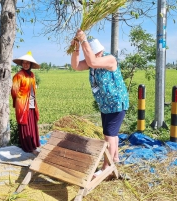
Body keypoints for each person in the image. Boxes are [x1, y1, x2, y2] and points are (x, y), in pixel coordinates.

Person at [70, 29, 129, 177]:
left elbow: (93, 61)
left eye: (95, 53)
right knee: (111, 134)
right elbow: (75, 66)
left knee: (108, 136)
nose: (93, 56)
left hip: (116, 103)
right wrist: (76, 47)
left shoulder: (109, 59)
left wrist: (83, 40)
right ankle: (114, 159)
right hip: (105, 105)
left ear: (100, 52)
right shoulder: (92, 64)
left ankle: (105, 168)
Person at [11, 51, 40, 155]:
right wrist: (20, 101)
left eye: (28, 63)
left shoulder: (32, 75)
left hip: (32, 103)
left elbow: (33, 88)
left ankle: (33, 144)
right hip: (23, 104)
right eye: (24, 63)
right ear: (21, 64)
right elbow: (14, 91)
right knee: (25, 125)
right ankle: (28, 147)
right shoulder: (18, 75)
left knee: (32, 123)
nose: (26, 65)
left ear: (31, 65)